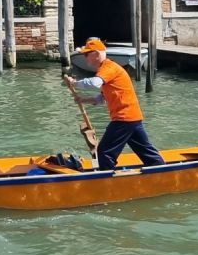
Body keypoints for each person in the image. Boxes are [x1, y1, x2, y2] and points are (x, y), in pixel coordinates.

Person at [68, 37, 165, 171]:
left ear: (96, 54)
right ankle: (160, 169)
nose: (85, 58)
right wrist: (83, 100)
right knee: (147, 153)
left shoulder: (108, 68)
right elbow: (101, 98)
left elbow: (95, 83)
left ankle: (106, 179)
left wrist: (75, 83)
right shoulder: (106, 70)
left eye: (86, 54)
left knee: (104, 153)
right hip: (132, 117)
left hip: (124, 118)